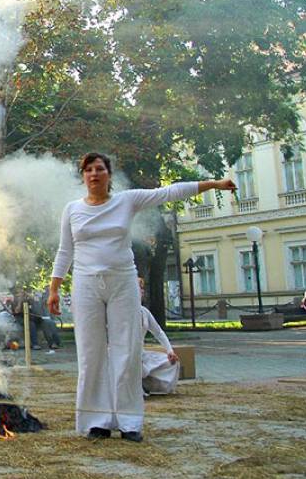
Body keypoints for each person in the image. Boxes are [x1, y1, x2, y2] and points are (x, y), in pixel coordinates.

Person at [48, 152, 235, 442]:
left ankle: (129, 422)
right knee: (90, 354)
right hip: (86, 285)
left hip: (123, 282)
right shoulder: (72, 209)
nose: (94, 174)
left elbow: (170, 192)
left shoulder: (127, 200)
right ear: (83, 176)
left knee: (127, 351)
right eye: (88, 170)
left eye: (99, 169)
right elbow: (65, 251)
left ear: (109, 175)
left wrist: (214, 184)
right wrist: (54, 288)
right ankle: (97, 421)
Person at [137, 278, 180, 395]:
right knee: (137, 366)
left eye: (142, 288)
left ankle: (145, 384)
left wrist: (170, 351)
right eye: (139, 288)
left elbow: (158, 332)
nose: (142, 291)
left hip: (141, 354)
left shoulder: (144, 312)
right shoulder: (122, 312)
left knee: (171, 363)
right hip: (125, 355)